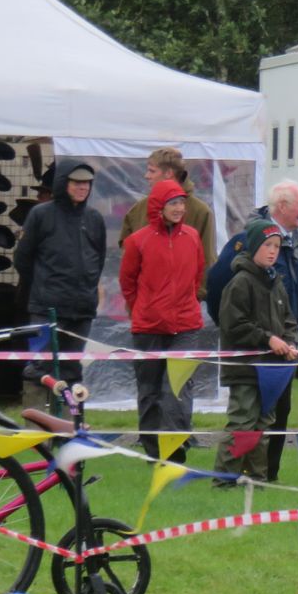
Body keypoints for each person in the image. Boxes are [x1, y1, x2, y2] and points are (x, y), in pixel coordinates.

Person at [210, 180, 298, 480]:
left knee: (265, 423)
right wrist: (268, 338)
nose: (273, 252)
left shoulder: (276, 280)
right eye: (268, 246)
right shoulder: (239, 281)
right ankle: (224, 479)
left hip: (276, 363)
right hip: (245, 364)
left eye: (276, 247)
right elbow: (233, 321)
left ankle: (260, 479)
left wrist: (289, 341)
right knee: (242, 422)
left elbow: (289, 316)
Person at [120, 178, 206, 463]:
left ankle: (174, 445)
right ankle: (153, 448)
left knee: (179, 386)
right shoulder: (137, 240)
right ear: (159, 205)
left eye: (182, 202)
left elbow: (197, 275)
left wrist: (185, 304)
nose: (180, 208)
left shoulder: (192, 237)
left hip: (186, 325)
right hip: (148, 326)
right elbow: (128, 282)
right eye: (173, 203)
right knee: (150, 390)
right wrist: (143, 310)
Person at [15, 162, 105, 388]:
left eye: (86, 183)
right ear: (64, 183)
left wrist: (87, 288)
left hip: (82, 309)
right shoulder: (41, 214)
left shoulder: (94, 218)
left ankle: (72, 421)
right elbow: (22, 258)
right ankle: (37, 421)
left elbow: (98, 259)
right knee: (38, 369)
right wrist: (44, 286)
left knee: (73, 373)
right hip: (47, 308)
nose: (83, 187)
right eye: (77, 182)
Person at [118, 147, 216, 284]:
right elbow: (127, 258)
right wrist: (136, 300)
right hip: (146, 301)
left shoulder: (200, 212)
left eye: (152, 171)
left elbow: (207, 261)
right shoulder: (138, 210)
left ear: (168, 173)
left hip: (184, 301)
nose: (146, 176)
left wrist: (195, 295)